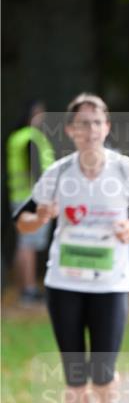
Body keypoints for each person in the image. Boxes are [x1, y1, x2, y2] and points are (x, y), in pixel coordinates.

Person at [14, 93, 129, 403]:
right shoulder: (60, 173)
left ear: (107, 128)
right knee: (75, 373)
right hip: (64, 282)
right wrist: (41, 217)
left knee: (103, 370)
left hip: (111, 283)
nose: (89, 130)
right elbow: (23, 222)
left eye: (96, 122)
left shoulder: (124, 169)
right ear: (70, 130)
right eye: (81, 123)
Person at [6, 99, 56, 305]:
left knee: (25, 244)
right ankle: (27, 289)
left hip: (19, 196)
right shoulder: (30, 138)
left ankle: (27, 288)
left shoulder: (17, 137)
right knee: (27, 244)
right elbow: (35, 169)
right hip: (31, 197)